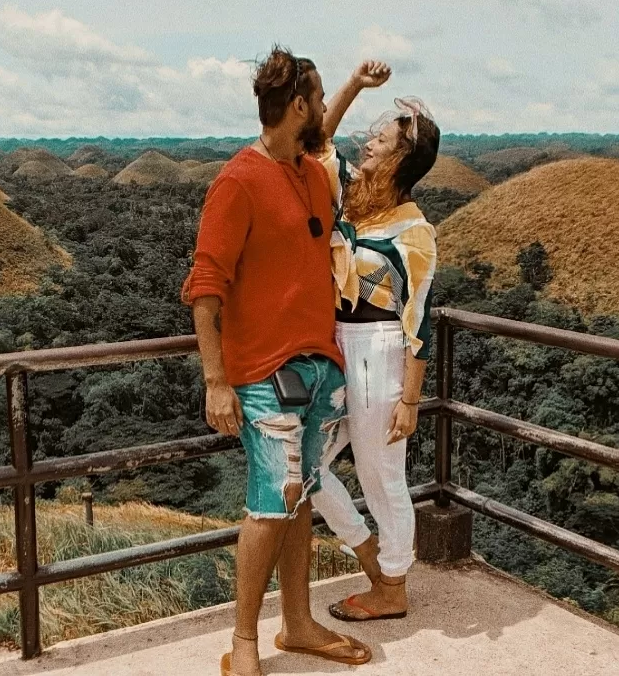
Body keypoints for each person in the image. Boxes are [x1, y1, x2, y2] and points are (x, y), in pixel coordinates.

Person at [183, 47, 385, 676]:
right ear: (298, 105)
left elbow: (326, 143)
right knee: (275, 499)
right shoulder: (237, 182)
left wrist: (351, 85)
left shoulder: (310, 174)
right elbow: (205, 287)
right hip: (264, 373)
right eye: (319, 99)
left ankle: (297, 625)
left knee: (299, 501)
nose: (325, 109)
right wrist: (216, 381)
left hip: (318, 368)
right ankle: (244, 640)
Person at [309, 71, 441, 623]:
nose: (368, 142)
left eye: (381, 140)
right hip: (336, 348)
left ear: (400, 161)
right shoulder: (353, 201)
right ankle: (372, 557)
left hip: (380, 353)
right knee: (302, 464)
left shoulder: (414, 233)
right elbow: (316, 141)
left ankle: (391, 586)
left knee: (382, 475)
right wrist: (354, 86)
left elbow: (418, 322)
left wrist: (409, 401)